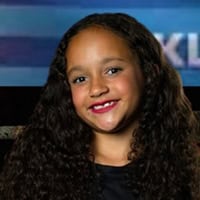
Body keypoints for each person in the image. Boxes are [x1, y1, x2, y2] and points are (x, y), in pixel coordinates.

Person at [0, 12, 199, 200]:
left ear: (148, 71)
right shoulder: (37, 175)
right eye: (80, 78)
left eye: (112, 70)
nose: (96, 89)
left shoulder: (191, 170)